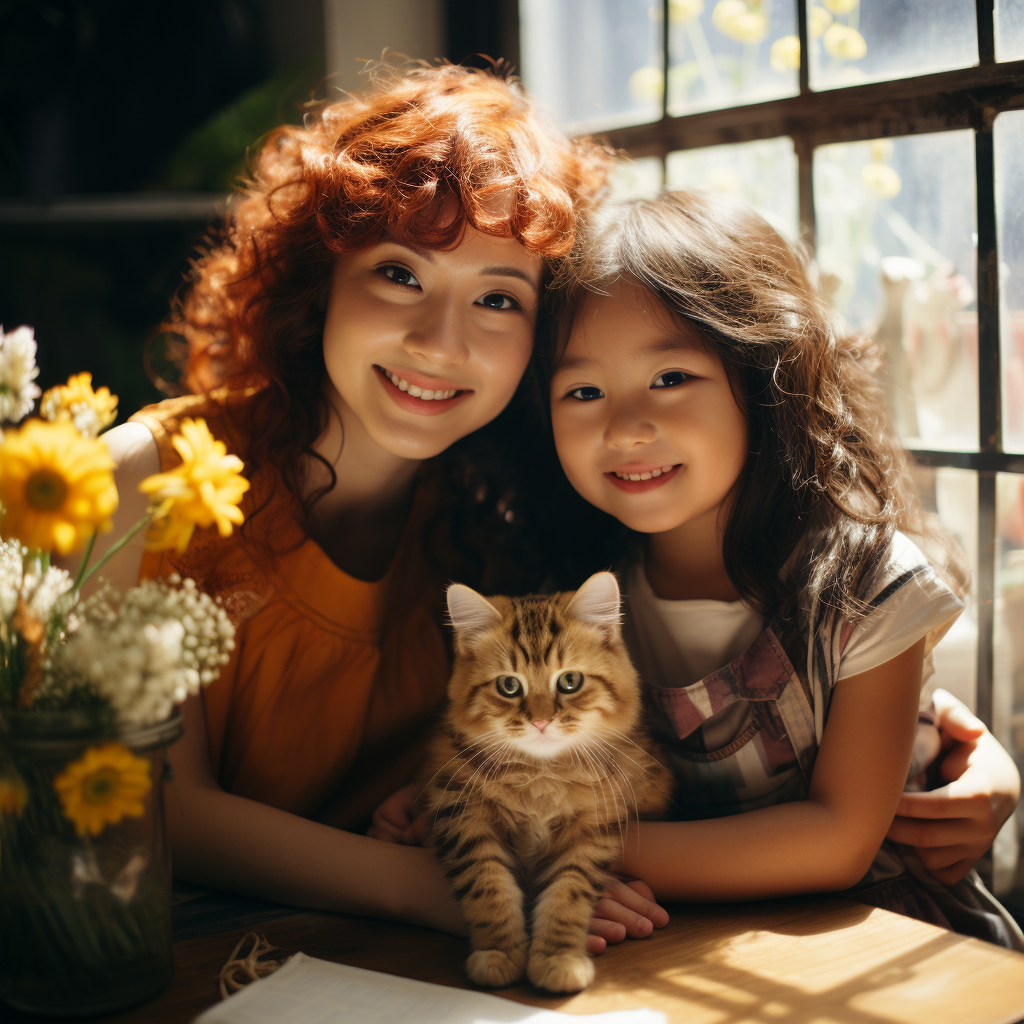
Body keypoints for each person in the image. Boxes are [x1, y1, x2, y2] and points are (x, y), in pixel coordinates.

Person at [76, 63, 612, 936]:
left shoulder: (497, 524)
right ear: (319, 274)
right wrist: (435, 891)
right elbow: (156, 803)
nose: (441, 342)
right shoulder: (147, 478)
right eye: (400, 274)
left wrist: (916, 730)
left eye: (496, 299)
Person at [539, 189, 1023, 948]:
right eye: (584, 391)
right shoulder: (572, 593)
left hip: (878, 944)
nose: (625, 426)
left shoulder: (865, 585)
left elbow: (837, 841)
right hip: (676, 942)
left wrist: (566, 843)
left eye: (671, 378)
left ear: (765, 379)